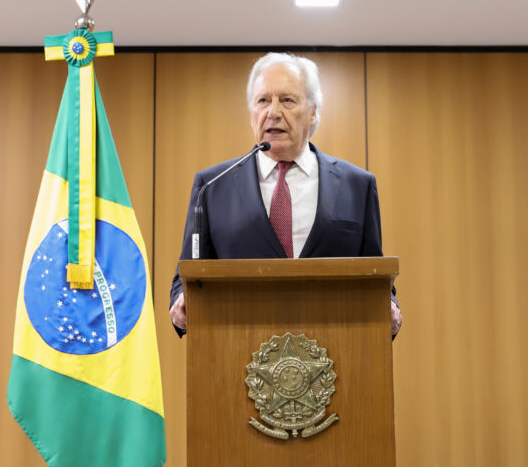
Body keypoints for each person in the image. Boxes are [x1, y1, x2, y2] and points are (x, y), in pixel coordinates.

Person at [169, 52, 402, 337]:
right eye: (263, 100)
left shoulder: (357, 185)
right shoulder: (213, 186)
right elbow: (186, 279)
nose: (274, 112)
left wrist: (389, 305)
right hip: (241, 353)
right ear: (252, 111)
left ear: (314, 111)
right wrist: (182, 302)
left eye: (287, 100)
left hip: (334, 353)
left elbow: (375, 276)